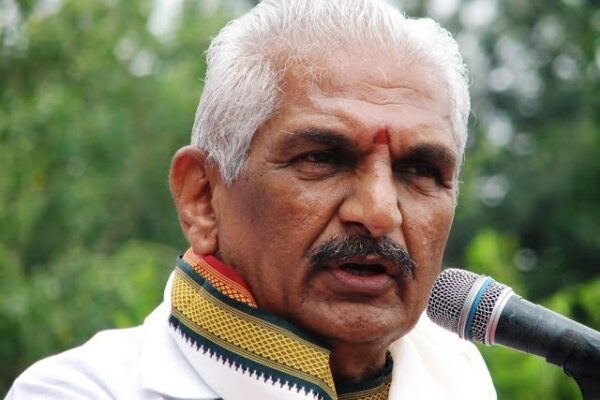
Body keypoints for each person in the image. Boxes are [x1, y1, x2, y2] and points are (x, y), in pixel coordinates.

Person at [7, 0, 497, 399]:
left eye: (420, 170)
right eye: (322, 158)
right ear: (203, 199)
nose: (378, 212)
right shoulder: (80, 391)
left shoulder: (458, 376)